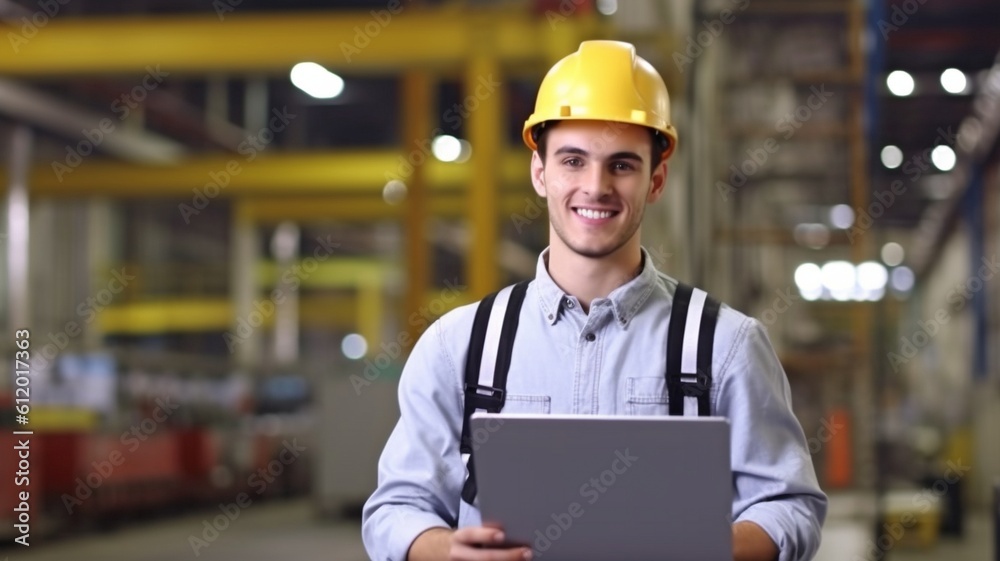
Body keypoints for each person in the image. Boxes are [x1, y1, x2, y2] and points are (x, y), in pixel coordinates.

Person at [362, 40, 827, 561]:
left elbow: (789, 507)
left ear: (656, 180)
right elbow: (397, 508)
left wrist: (697, 549)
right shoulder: (460, 346)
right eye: (573, 160)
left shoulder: (725, 346)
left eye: (622, 165)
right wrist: (450, 551)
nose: (595, 186)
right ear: (541, 172)